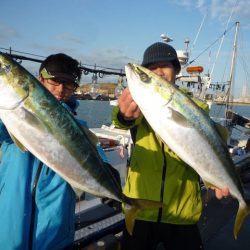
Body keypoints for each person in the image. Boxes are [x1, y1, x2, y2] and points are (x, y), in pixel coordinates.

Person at [112, 42, 229, 250]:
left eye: (164, 66)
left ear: (176, 70)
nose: (158, 71)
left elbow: (208, 148)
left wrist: (217, 179)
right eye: (151, 68)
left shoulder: (198, 109)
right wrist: (123, 115)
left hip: (183, 212)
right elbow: (123, 120)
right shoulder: (142, 104)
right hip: (140, 209)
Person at [0, 53, 107, 250]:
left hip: (54, 234)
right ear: (40, 79)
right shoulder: (8, 118)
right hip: (8, 228)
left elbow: (98, 160)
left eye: (68, 84)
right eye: (55, 81)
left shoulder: (80, 129)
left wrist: (111, 183)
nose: (60, 90)